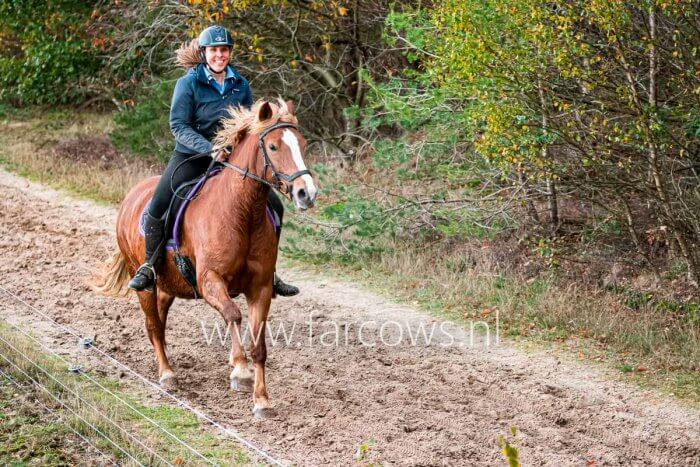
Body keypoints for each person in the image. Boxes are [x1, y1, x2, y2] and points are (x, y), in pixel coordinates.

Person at [127, 25, 299, 297]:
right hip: (191, 157)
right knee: (159, 203)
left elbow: (251, 126)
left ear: (229, 52)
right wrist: (209, 148)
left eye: (224, 50)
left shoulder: (240, 84)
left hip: (230, 160)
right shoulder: (188, 83)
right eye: (214, 50)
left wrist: (241, 151)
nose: (220, 55)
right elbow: (178, 125)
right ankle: (149, 266)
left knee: (274, 205)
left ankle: (270, 272)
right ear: (204, 52)